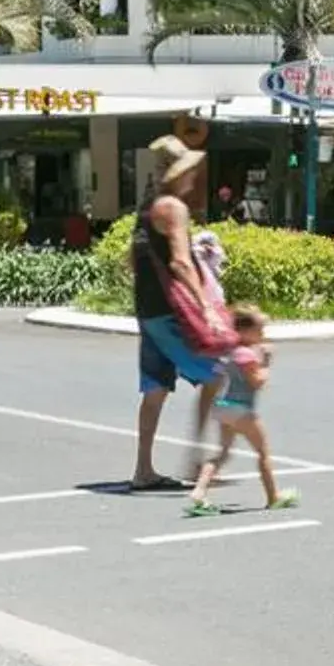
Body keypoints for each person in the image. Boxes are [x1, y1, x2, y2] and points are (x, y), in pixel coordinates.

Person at [130, 194, 223, 492]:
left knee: (155, 390)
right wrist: (206, 306)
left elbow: (131, 260)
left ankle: (143, 470)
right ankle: (198, 461)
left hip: (148, 310)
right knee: (219, 374)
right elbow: (181, 263)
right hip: (172, 314)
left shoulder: (146, 210)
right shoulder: (174, 207)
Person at [186, 305, 298, 516]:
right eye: (259, 330)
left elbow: (219, 376)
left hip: (223, 407)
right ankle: (273, 496)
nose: (263, 334)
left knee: (223, 453)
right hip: (241, 409)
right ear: (245, 331)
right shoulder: (246, 355)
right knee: (263, 452)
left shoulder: (231, 353)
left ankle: (199, 491)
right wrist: (266, 362)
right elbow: (257, 382)